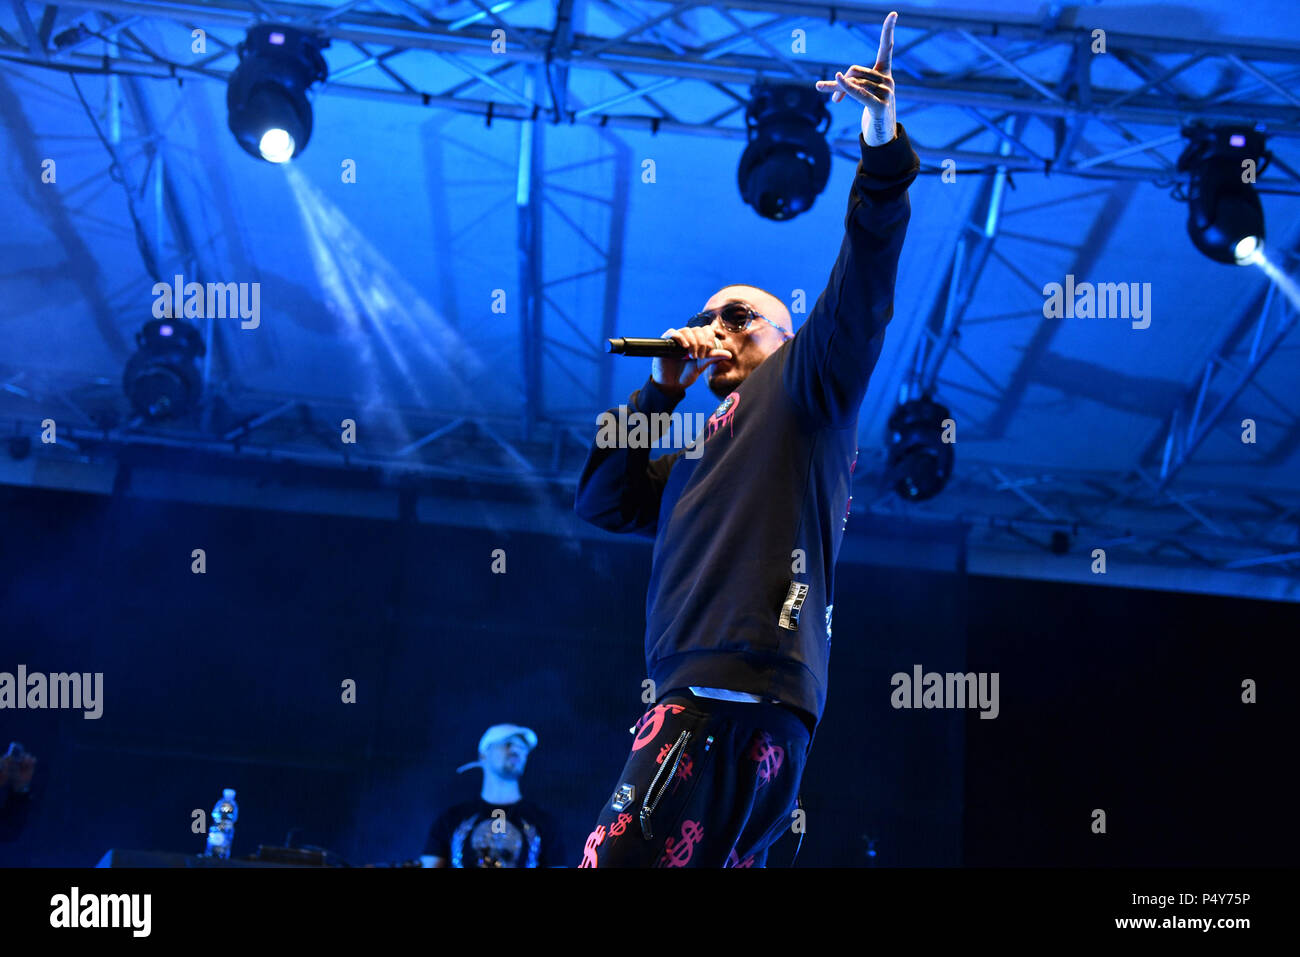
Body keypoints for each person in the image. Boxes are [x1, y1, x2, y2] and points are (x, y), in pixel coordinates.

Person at [572, 11, 919, 867]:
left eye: (737, 315)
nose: (714, 327)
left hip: (732, 702)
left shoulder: (805, 384)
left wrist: (880, 148)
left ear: (785, 330)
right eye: (703, 318)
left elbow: (865, 282)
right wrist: (659, 388)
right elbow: (603, 499)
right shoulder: (699, 452)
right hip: (698, 700)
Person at [420, 724, 563, 868]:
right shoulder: (450, 820)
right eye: (508, 744)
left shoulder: (544, 823)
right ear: (483, 754)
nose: (516, 750)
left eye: (523, 748)